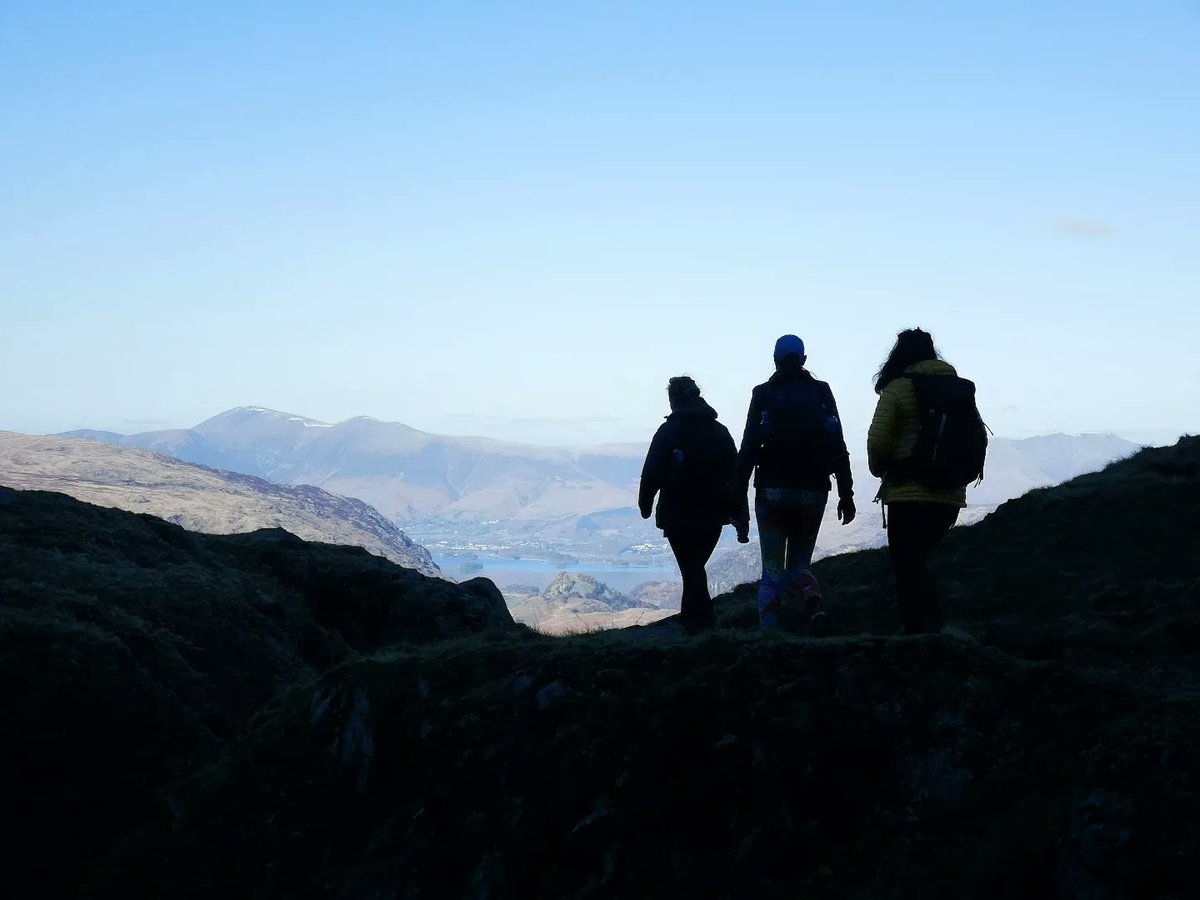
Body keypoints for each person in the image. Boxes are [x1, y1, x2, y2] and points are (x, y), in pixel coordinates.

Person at [732, 335, 855, 631]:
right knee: (800, 565)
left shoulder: (763, 393)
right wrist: (846, 493)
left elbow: (749, 446)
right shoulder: (821, 392)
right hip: (813, 490)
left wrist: (736, 498)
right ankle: (814, 608)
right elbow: (837, 443)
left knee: (772, 569)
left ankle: (770, 633)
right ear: (804, 360)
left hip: (771, 489)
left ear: (775, 359)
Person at [867, 327, 968, 634]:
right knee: (927, 561)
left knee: (906, 565)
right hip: (949, 494)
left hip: (907, 494)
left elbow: (878, 439)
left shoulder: (899, 387)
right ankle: (940, 627)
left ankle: (917, 633)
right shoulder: (956, 388)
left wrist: (879, 469)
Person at [639, 376, 738, 633]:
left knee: (691, 568)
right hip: (713, 515)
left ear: (673, 400)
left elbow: (651, 471)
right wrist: (739, 515)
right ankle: (696, 624)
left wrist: (645, 504)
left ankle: (698, 625)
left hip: (677, 515)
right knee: (693, 568)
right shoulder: (720, 431)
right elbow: (735, 475)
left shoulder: (668, 431)